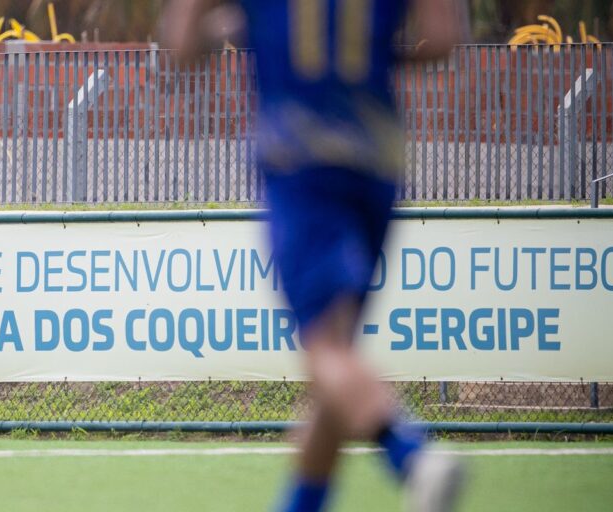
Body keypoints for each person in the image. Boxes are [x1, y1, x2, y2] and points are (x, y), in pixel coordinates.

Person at [160, 1, 463, 511]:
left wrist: (234, 31)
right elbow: (442, 40)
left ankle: (411, 455)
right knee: (335, 360)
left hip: (300, 160)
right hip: (376, 162)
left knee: (324, 349)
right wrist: (370, 55)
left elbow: (181, 47)